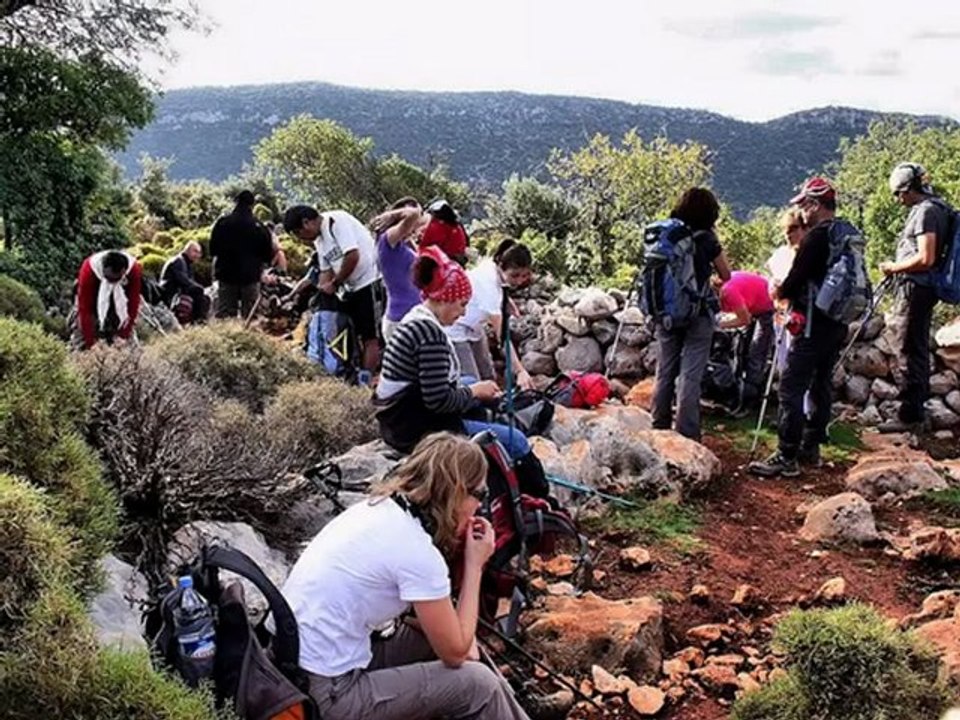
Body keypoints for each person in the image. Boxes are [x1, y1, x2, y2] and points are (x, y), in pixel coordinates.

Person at [281, 432, 531, 720]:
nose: (480, 506)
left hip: (298, 666)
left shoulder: (377, 510)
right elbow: (457, 653)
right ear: (458, 492)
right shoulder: (417, 552)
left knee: (433, 642)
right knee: (479, 686)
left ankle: (514, 709)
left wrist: (461, 644)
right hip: (330, 694)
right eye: (481, 495)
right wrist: (475, 566)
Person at [375, 247, 547, 491]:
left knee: (467, 380)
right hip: (414, 428)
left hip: (398, 415)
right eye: (461, 305)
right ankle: (536, 494)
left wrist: (473, 389)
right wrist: (476, 392)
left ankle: (483, 421)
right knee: (516, 441)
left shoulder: (417, 316)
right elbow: (439, 402)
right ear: (444, 298)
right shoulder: (430, 335)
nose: (465, 312)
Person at [749, 177, 856, 477]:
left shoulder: (817, 237)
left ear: (814, 204)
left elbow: (796, 278)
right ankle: (812, 445)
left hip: (811, 322)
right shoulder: (845, 233)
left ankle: (786, 455)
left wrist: (779, 293)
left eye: (804, 204)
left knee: (792, 386)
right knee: (821, 382)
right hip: (836, 322)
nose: (802, 211)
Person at [650, 187, 732, 440]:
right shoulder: (707, 239)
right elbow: (727, 274)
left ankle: (659, 425)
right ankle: (686, 434)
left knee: (665, 370)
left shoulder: (668, 235)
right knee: (690, 375)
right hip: (698, 313)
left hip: (666, 312)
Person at [878, 163, 951, 434]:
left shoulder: (926, 212)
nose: (899, 201)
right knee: (915, 347)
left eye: (899, 194)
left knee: (907, 348)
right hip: (924, 289)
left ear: (908, 190)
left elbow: (926, 257)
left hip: (915, 289)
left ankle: (909, 415)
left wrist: (892, 267)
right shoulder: (939, 208)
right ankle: (915, 412)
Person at [283, 206, 383, 372]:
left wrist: (335, 283)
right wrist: (322, 294)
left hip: (369, 282)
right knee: (351, 332)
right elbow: (325, 270)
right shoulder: (319, 240)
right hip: (350, 288)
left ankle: (366, 381)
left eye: (299, 233)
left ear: (306, 223)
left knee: (370, 336)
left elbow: (353, 256)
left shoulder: (336, 222)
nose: (302, 239)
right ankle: (352, 370)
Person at [447, 240, 535, 390]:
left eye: (524, 275)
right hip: (455, 327)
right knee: (472, 383)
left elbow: (501, 288)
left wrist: (507, 302)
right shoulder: (489, 286)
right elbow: (503, 337)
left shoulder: (493, 265)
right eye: (515, 276)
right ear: (501, 266)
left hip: (474, 325)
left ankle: (493, 406)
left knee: (488, 374)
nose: (519, 281)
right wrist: (520, 371)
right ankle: (478, 411)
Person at [210, 190, 274, 319]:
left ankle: (226, 338)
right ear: (252, 204)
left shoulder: (222, 223)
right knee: (250, 316)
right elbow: (267, 255)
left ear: (236, 202)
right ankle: (247, 338)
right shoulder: (259, 227)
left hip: (226, 274)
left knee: (226, 315)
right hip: (250, 276)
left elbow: (213, 249)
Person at [371, 197, 428, 343]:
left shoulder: (402, 244)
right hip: (401, 318)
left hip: (411, 315)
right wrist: (393, 215)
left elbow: (423, 218)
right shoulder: (387, 241)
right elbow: (414, 214)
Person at [717, 271, 776, 408]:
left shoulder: (729, 292)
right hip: (752, 305)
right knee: (741, 345)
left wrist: (719, 325)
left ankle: (751, 394)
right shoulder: (722, 288)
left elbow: (745, 320)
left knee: (757, 349)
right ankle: (737, 385)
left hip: (767, 306)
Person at [70, 250, 143, 350]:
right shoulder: (88, 270)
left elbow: (133, 305)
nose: (111, 282)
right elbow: (84, 309)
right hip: (92, 298)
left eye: (115, 279)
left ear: (124, 272)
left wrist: (123, 336)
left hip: (121, 303)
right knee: (81, 342)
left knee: (129, 349)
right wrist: (90, 344)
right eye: (109, 278)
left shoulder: (134, 270)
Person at [766, 208, 807, 371]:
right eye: (786, 230)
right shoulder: (780, 255)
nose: (789, 234)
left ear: (804, 228)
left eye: (794, 228)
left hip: (800, 314)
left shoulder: (809, 254)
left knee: (799, 364)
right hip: (781, 313)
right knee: (783, 362)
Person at [159, 241, 209, 324]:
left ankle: (198, 322)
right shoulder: (179, 261)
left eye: (199, 252)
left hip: (177, 293)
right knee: (199, 293)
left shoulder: (186, 263)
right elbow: (183, 281)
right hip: (170, 295)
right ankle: (199, 322)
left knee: (203, 296)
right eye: (195, 251)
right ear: (187, 250)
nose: (197, 255)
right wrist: (200, 288)